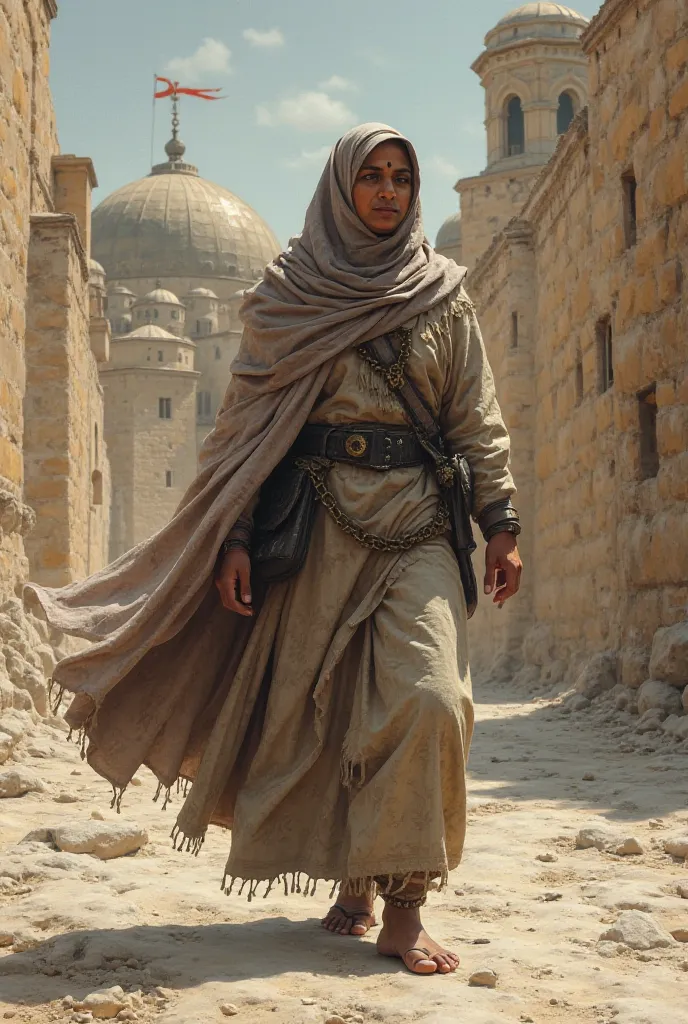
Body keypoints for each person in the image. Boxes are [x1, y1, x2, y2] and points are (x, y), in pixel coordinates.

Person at [27, 123, 522, 977]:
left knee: (431, 696)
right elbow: (248, 430)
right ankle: (357, 881)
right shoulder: (288, 293)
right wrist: (236, 537)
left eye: (403, 177)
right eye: (371, 176)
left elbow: (474, 414)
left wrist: (501, 521)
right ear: (340, 188)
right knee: (330, 713)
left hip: (417, 526)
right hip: (317, 527)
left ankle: (405, 903)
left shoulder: (446, 295)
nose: (389, 192)